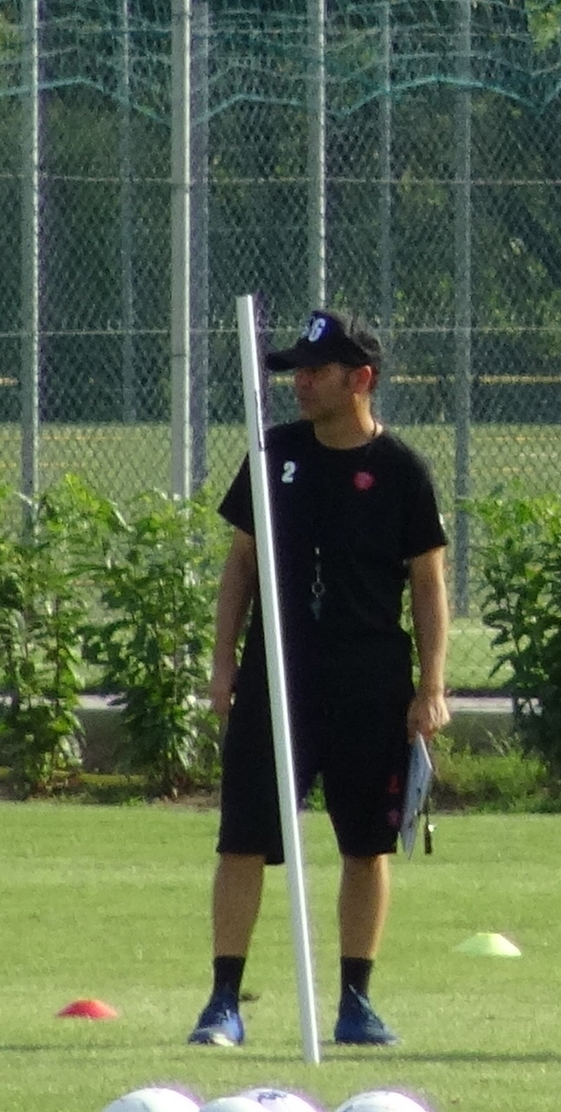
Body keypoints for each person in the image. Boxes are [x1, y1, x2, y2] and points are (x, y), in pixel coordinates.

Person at [188, 310, 452, 1049]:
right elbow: (241, 562)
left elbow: (429, 586)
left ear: (360, 379)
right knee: (243, 838)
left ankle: (356, 1001)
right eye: (295, 371)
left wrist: (432, 685)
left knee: (366, 844)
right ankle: (222, 1002)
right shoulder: (275, 454)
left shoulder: (401, 470)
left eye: (316, 370)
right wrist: (223, 658)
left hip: (369, 679)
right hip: (278, 678)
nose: (299, 383)